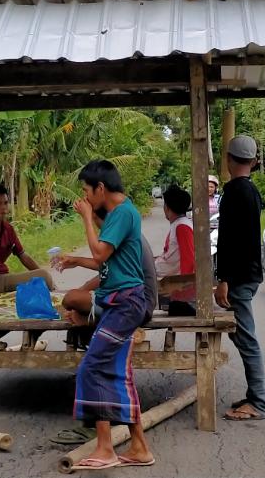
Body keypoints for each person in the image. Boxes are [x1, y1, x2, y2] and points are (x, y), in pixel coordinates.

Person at [51, 160, 153, 470]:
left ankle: (106, 448)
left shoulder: (122, 213)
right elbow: (105, 263)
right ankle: (139, 447)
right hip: (120, 301)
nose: (84, 198)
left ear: (101, 188)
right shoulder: (118, 214)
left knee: (92, 368)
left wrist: (85, 219)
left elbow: (100, 253)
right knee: (119, 372)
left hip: (126, 303)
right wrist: (74, 261)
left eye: (86, 191)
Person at [215, 134, 265, 422]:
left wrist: (223, 278)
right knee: (240, 333)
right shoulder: (251, 191)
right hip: (248, 272)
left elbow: (229, 241)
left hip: (239, 276)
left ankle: (258, 402)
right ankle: (259, 395)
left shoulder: (235, 192)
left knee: (245, 337)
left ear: (229, 160)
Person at [0, 183, 55, 301]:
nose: (3, 207)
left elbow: (23, 256)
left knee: (43, 277)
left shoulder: (8, 229)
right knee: (44, 277)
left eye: (5, 203)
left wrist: (39, 273)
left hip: (2, 277)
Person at [156, 185, 197, 317]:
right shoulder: (179, 224)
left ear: (167, 208)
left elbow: (188, 259)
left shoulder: (182, 227)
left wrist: (183, 290)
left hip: (180, 289)